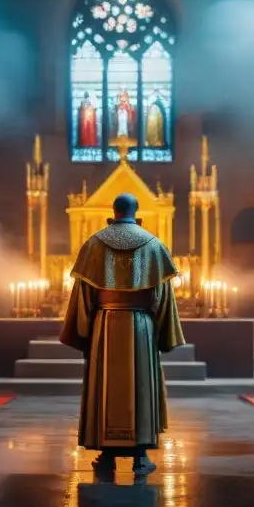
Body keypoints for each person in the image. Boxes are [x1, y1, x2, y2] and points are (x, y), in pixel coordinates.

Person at [60, 192, 184, 478]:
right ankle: (140, 454)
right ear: (137, 212)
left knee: (107, 384)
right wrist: (163, 331)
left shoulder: (94, 244)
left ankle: (107, 454)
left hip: (105, 325)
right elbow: (163, 296)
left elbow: (82, 295)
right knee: (139, 384)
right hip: (141, 326)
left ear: (113, 212)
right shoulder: (153, 245)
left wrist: (84, 331)